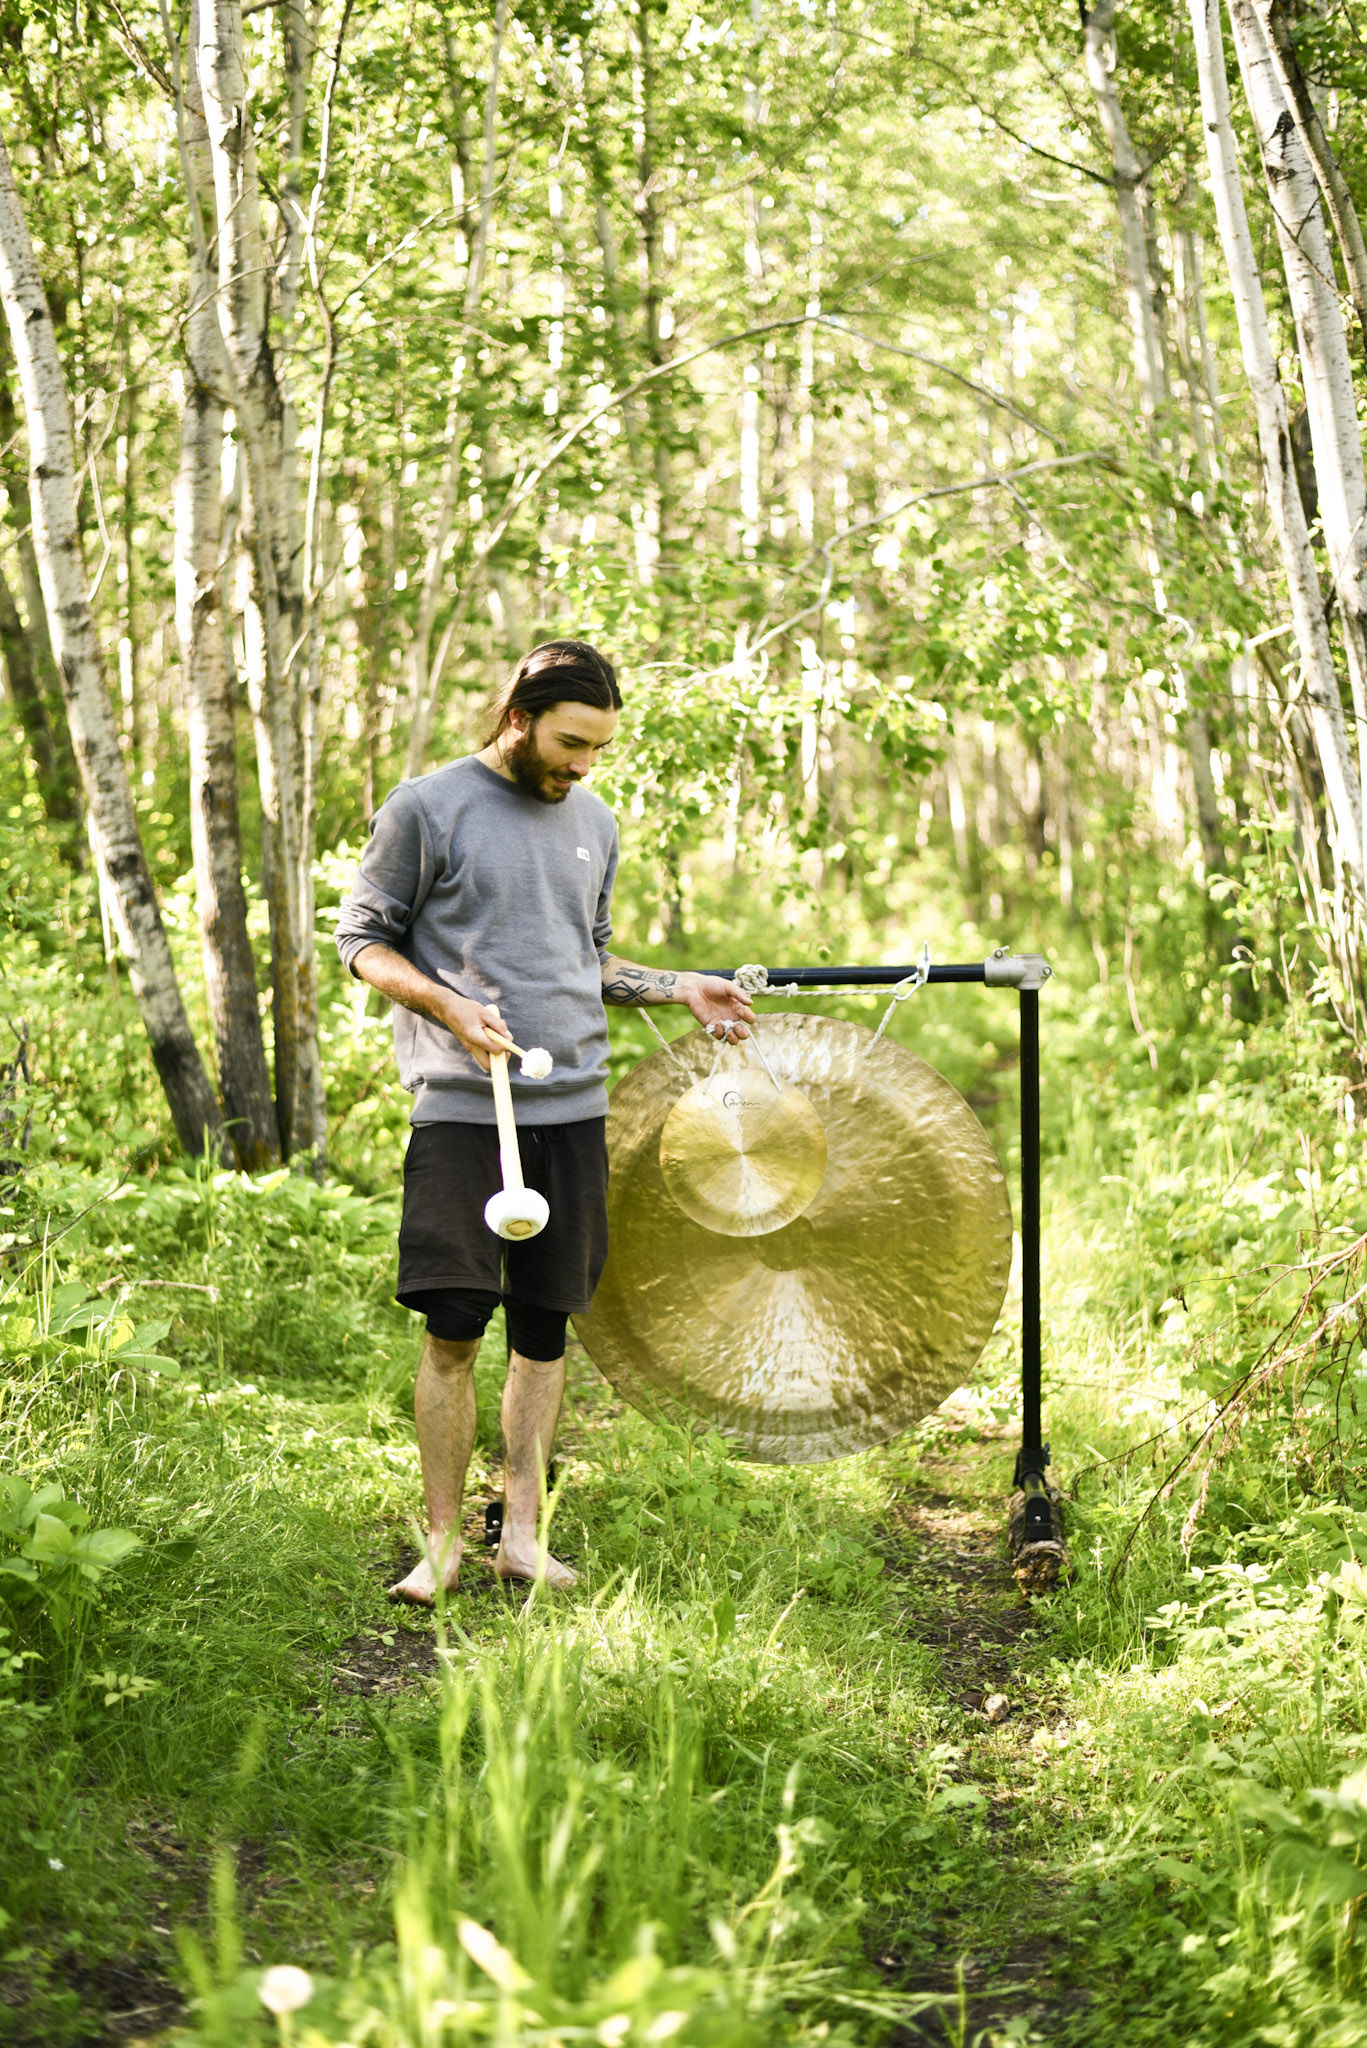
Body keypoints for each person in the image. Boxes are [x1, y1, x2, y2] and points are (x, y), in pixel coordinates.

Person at [335, 639, 755, 1602]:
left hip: (571, 1112)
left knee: (544, 1331)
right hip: (463, 1109)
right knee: (452, 1326)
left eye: (598, 749)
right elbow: (361, 941)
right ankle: (441, 1542)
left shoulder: (594, 821)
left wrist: (676, 986)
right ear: (517, 719)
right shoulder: (427, 809)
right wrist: (445, 1007)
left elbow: (587, 959)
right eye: (571, 743)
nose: (583, 766)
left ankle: (520, 1535)